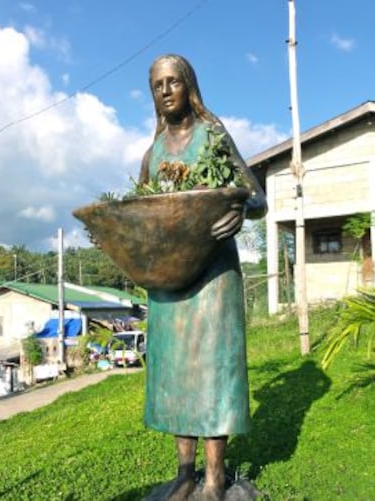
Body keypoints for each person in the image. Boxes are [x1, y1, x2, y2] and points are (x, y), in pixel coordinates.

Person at [139, 54, 267, 501]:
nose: (166, 90)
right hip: (171, 281)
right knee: (176, 373)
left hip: (214, 275)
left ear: (188, 85)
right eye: (158, 85)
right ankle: (185, 474)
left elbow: (257, 198)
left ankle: (215, 478)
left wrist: (237, 212)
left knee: (213, 370)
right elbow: (143, 213)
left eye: (174, 82)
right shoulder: (152, 155)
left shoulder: (213, 137)